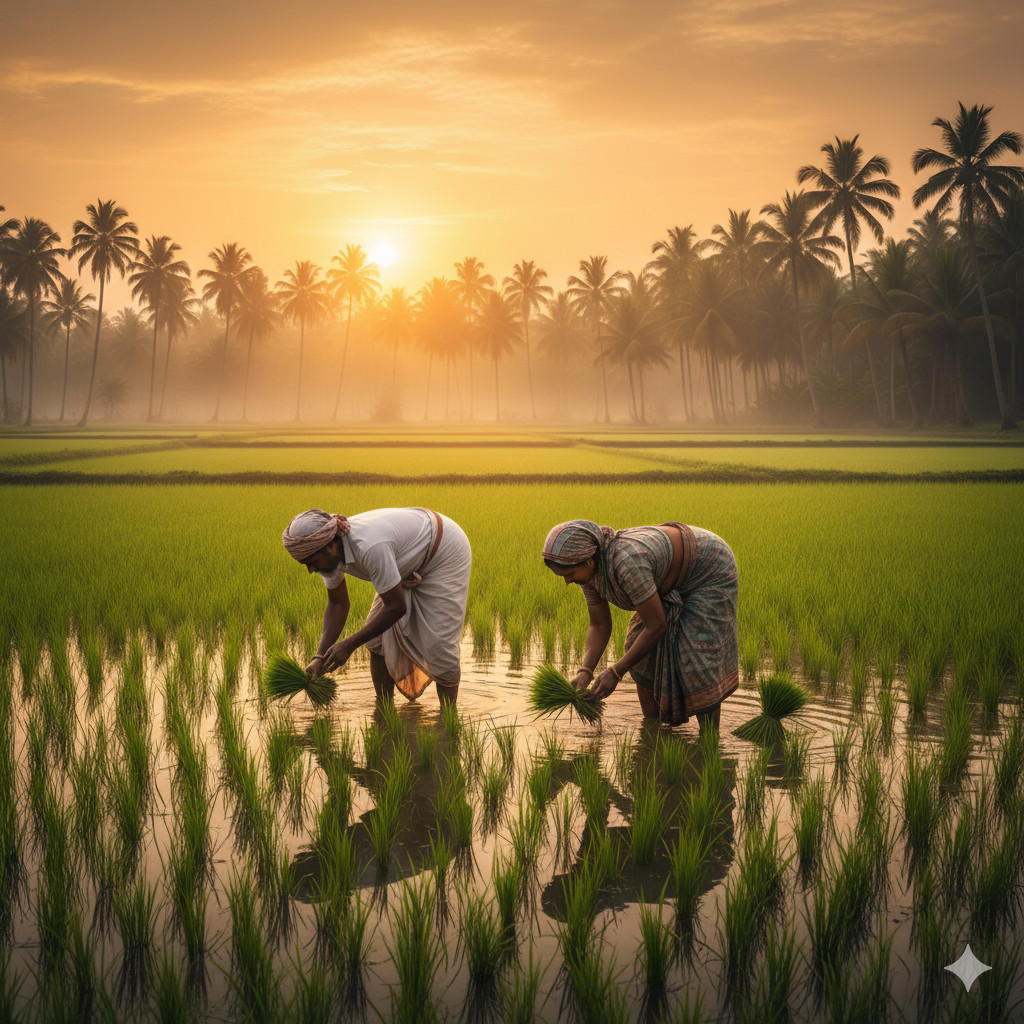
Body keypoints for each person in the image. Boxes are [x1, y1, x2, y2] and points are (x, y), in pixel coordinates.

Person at [542, 519, 738, 730]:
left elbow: (656, 626)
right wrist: (585, 672)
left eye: (569, 574)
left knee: (697, 654)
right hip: (667, 578)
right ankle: (651, 729)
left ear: (589, 561)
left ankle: (709, 738)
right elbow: (599, 625)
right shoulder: (589, 574)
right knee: (637, 645)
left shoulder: (627, 562)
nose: (568, 581)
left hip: (708, 569)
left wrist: (616, 673)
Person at [282, 507, 472, 705]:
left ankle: (449, 719)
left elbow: (397, 607)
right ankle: (383, 707)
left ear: (330, 545)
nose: (311, 570)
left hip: (444, 551)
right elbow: (338, 603)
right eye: (305, 564)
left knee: (439, 647)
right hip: (403, 560)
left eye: (311, 562)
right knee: (377, 642)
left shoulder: (369, 547)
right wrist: (319, 656)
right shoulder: (329, 555)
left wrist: (349, 645)